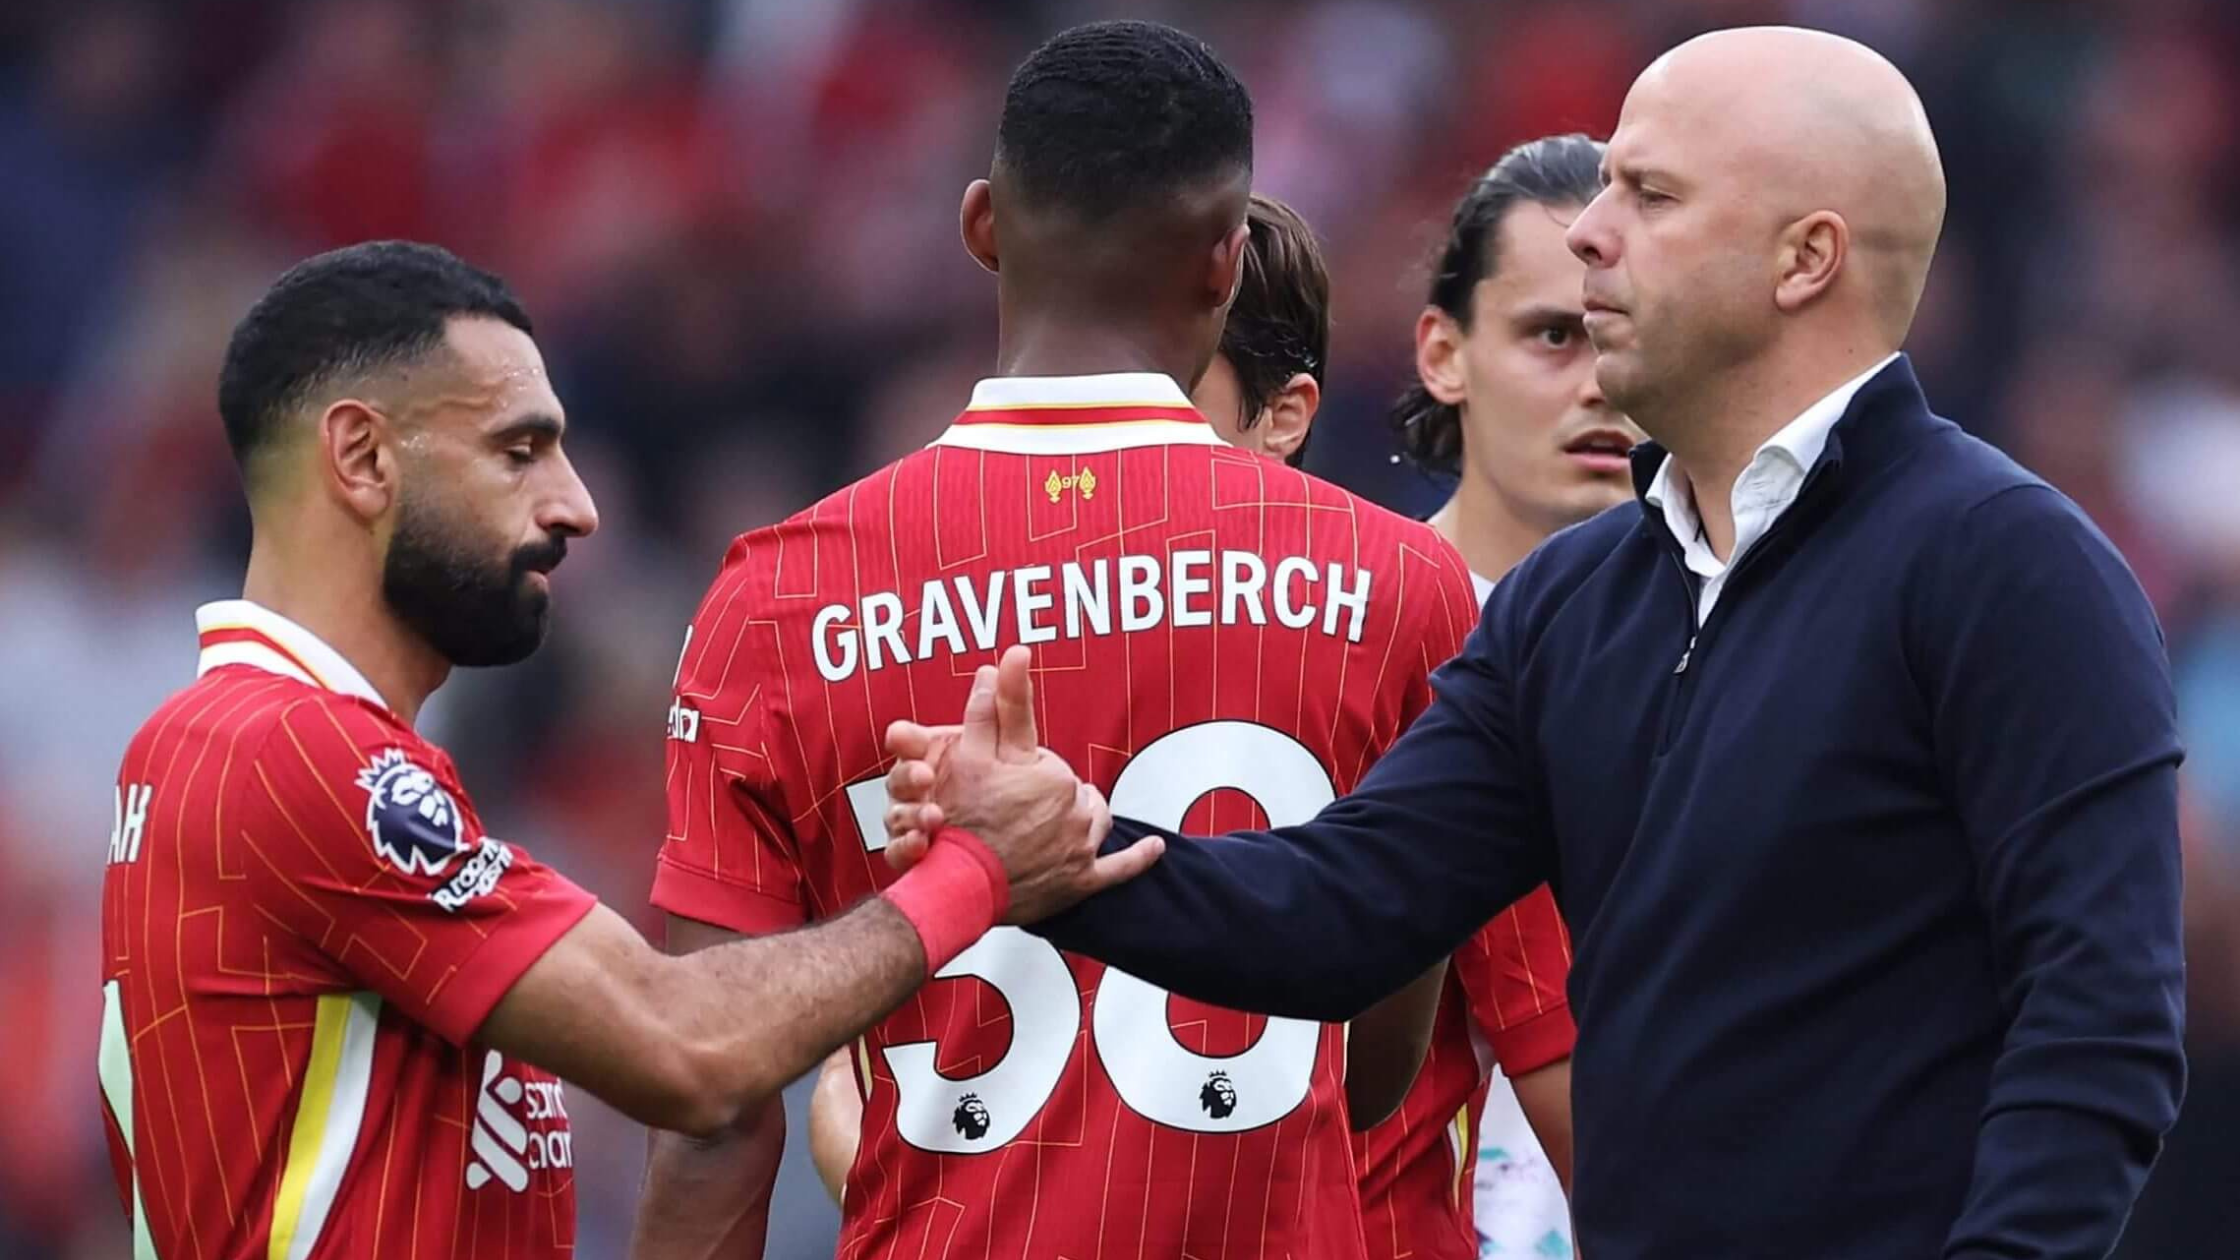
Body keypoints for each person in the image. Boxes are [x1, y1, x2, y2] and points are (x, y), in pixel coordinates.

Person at [880, 26, 2187, 1260]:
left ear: (1806, 262)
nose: (1591, 238)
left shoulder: (2009, 565)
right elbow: (1340, 912)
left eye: (1650, 199)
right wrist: (1056, 855)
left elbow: (2100, 1026)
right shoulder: (1574, 603)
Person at [95, 240, 1144, 1260]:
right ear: (362, 458)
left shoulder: (240, 744)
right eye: (518, 450)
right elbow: (682, 1048)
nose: (575, 506)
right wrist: (977, 868)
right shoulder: (292, 751)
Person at [628, 22, 1482, 1260]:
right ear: (1227, 264)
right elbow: (1370, 1047)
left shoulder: (777, 598)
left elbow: (711, 1098)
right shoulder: (1403, 582)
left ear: (981, 226)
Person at [798, 187, 1372, 1208]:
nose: (1103, 455)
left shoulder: (1398, 629)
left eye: (1160, 407)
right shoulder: (923, 656)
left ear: (1282, 417)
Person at [1372, 133, 1647, 1260]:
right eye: (1550, 335)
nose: (1595, 382)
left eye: (1621, 335)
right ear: (1443, 351)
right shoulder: (1339, 633)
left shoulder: (1763, 647)